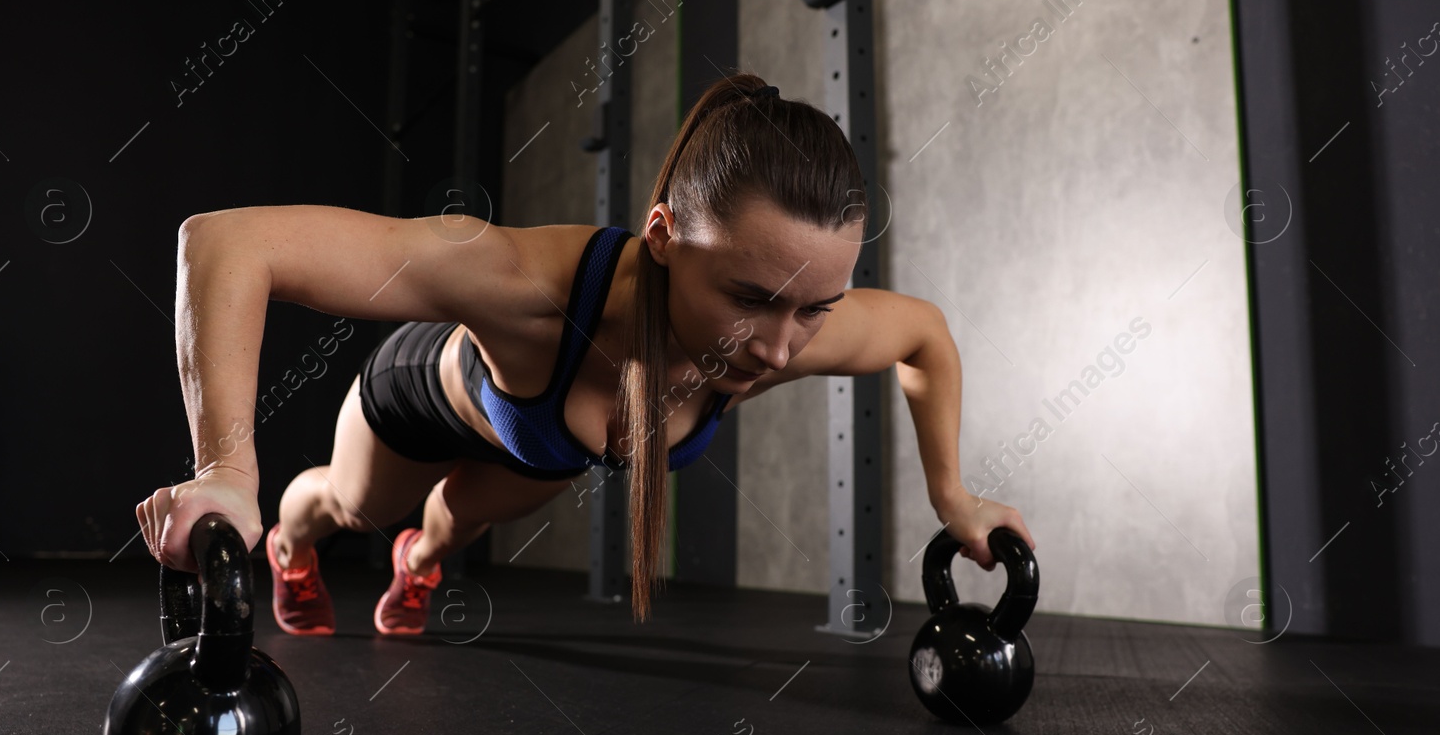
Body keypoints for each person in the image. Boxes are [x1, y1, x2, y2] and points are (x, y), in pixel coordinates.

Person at [134, 72, 1034, 636]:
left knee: (454, 526)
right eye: (751, 300)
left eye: (814, 309)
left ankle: (420, 561)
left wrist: (953, 493)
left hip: (544, 441)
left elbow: (924, 335)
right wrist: (223, 470)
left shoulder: (790, 329)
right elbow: (225, 243)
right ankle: (293, 545)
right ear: (664, 234)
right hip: (424, 396)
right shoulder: (520, 283)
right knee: (353, 503)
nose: (777, 346)